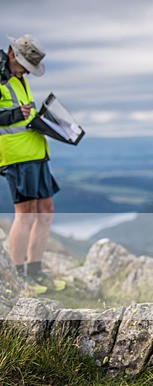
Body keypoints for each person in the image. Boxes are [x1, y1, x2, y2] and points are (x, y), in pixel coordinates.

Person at [0, 34, 63, 293]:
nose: (27, 71)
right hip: (16, 157)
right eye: (25, 64)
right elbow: (11, 117)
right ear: (13, 54)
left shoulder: (18, 78)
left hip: (36, 152)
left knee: (45, 210)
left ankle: (35, 271)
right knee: (25, 213)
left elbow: (23, 117)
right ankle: (17, 277)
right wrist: (16, 114)